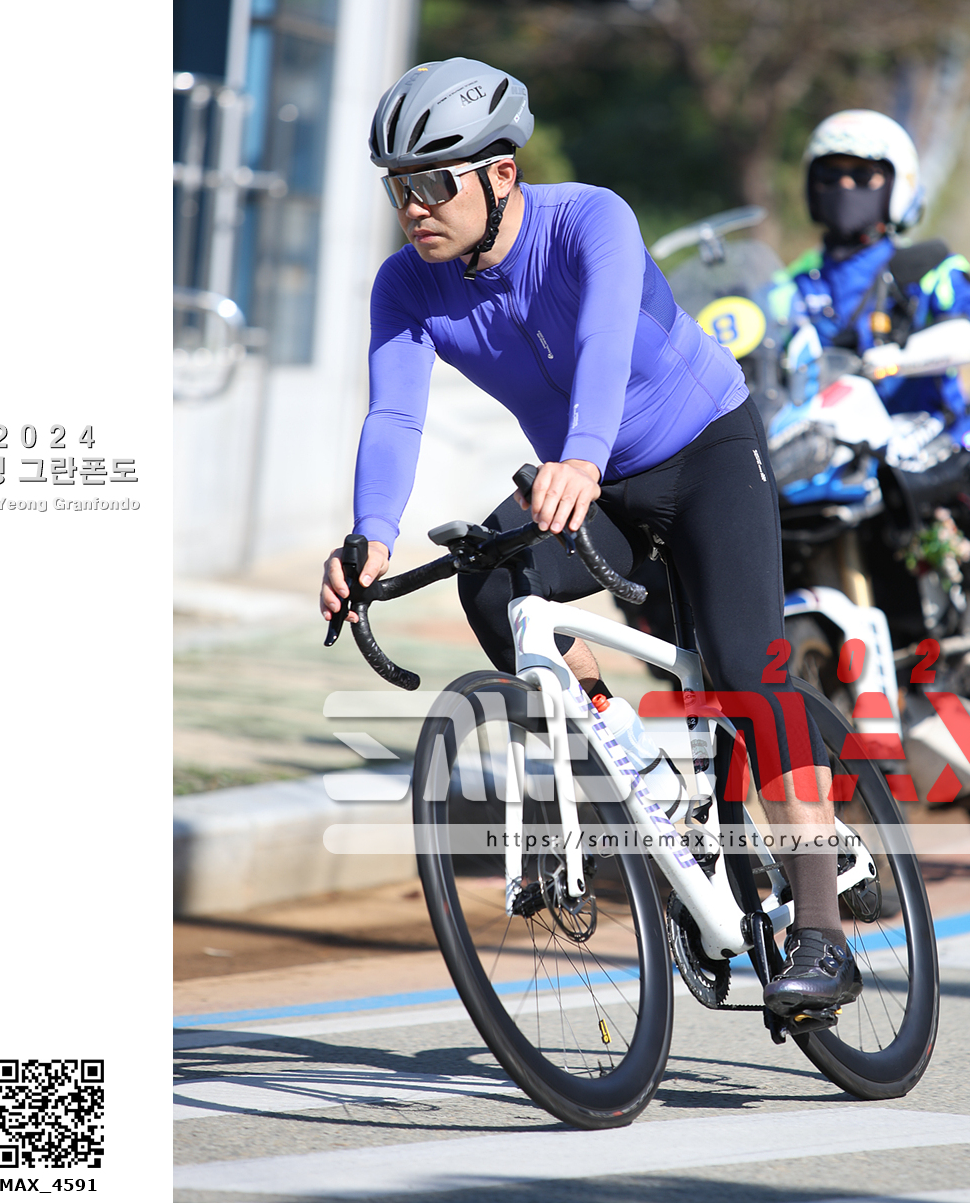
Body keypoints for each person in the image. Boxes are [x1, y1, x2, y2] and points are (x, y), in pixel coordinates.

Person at [319, 57, 860, 1019]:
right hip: (590, 479)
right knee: (492, 582)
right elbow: (394, 415)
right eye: (398, 187)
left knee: (746, 668)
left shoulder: (589, 220)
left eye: (434, 183)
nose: (413, 208)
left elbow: (606, 344)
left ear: (502, 173)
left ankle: (822, 929)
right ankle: (639, 779)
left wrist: (579, 458)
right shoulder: (405, 286)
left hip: (704, 450)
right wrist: (370, 537)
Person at [778, 109, 970, 734]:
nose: (845, 188)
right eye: (831, 175)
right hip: (833, 455)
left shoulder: (925, 266)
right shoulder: (789, 286)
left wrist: (904, 355)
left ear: (898, 187)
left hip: (931, 442)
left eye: (863, 175)